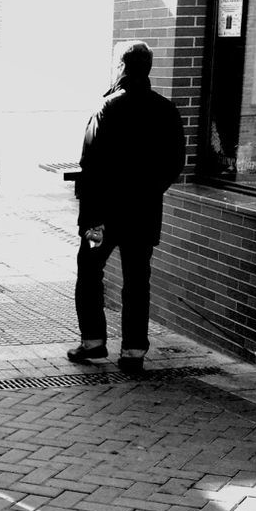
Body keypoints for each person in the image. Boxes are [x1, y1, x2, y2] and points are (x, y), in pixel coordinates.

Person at [68, 41, 185, 374]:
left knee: (89, 272)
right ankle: (133, 351)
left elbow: (89, 163)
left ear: (121, 67)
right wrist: (148, 190)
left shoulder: (106, 108)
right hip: (142, 216)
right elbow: (175, 162)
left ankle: (93, 342)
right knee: (137, 280)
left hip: (100, 219)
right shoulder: (166, 109)